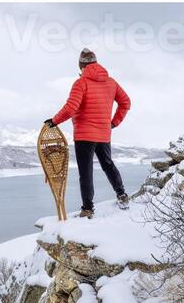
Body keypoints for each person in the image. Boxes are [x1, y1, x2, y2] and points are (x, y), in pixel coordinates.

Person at [45, 48, 131, 218]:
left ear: (81, 65)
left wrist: (54, 121)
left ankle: (88, 209)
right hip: (104, 133)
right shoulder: (111, 82)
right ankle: (122, 195)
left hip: (84, 135)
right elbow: (126, 103)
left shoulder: (81, 83)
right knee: (108, 164)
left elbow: (71, 108)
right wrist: (113, 123)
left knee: (86, 172)